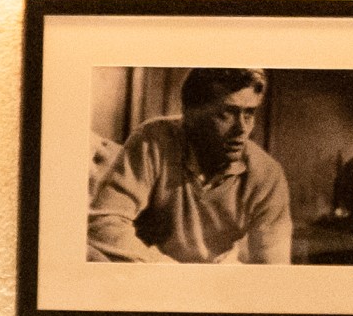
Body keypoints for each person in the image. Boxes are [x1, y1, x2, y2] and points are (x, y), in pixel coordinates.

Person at [86, 66, 292, 266]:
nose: (242, 129)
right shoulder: (153, 140)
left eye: (249, 113)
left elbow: (273, 270)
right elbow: (103, 224)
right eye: (226, 114)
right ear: (192, 113)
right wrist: (170, 273)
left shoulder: (267, 175)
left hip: (211, 280)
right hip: (146, 271)